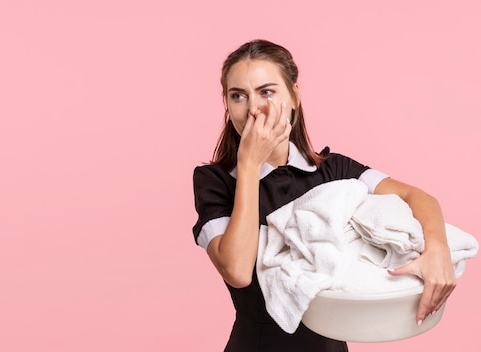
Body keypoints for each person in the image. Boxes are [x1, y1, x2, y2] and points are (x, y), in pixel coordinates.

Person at [191, 39, 456, 352]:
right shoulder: (215, 181)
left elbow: (417, 197)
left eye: (267, 91)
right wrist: (249, 166)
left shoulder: (334, 170)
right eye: (238, 96)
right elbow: (236, 271)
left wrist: (438, 251)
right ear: (227, 105)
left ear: (294, 96)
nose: (253, 109)